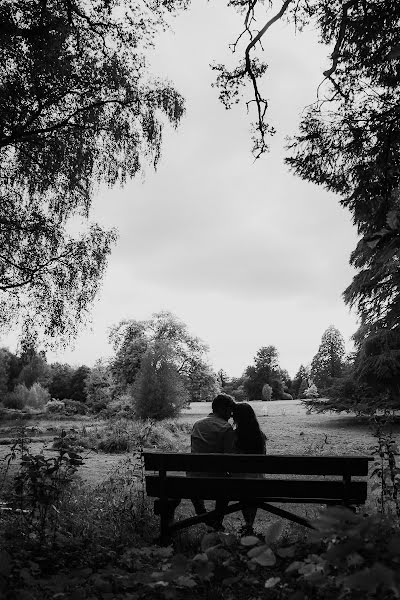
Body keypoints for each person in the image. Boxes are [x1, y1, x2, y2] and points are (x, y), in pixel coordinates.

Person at [189, 393, 236, 528]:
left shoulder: (197, 424)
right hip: (216, 481)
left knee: (195, 473)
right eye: (229, 411)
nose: (230, 415)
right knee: (226, 481)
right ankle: (217, 520)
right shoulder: (225, 428)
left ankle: (202, 513)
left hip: (193, 480)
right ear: (222, 409)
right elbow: (230, 458)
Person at [232, 402, 266, 535]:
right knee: (251, 485)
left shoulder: (234, 435)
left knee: (243, 483)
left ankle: (248, 524)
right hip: (257, 481)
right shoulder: (260, 436)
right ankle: (249, 524)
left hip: (239, 483)